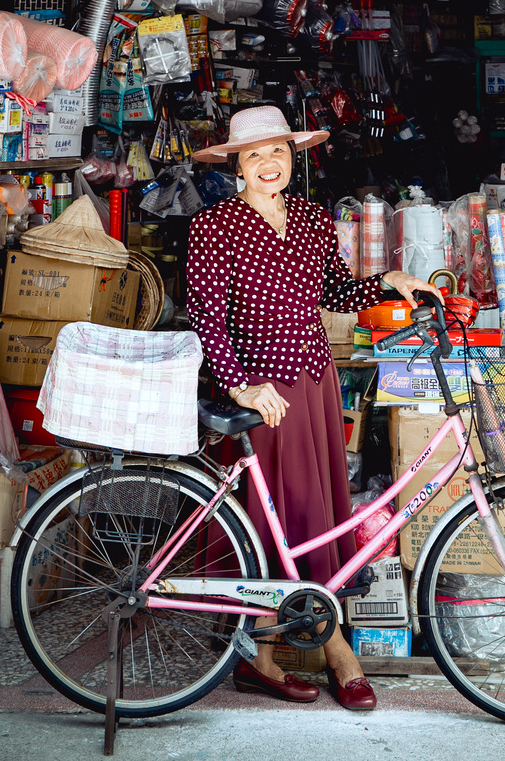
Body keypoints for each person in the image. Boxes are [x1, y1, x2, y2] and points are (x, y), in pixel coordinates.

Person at [186, 105, 435, 712]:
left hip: (314, 382)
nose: (269, 163)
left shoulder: (312, 219)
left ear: (292, 158)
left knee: (312, 513)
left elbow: (333, 290)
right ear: (236, 167)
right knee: (278, 517)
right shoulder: (213, 227)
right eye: (254, 154)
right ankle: (333, 654)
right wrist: (240, 385)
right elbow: (205, 317)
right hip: (263, 392)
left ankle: (263, 658)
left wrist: (385, 283)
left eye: (278, 151)